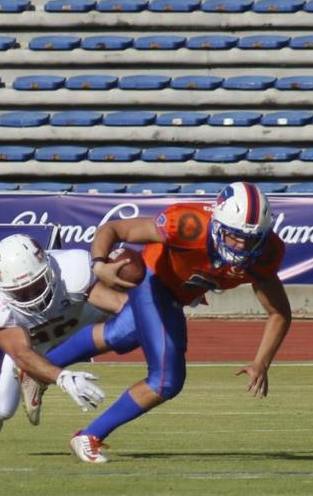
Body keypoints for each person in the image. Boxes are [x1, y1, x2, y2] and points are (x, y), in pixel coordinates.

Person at [61, 181, 293, 464]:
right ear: (218, 224)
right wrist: (99, 265)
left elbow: (279, 312)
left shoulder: (267, 253)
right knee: (165, 381)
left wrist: (262, 362)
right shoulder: (188, 224)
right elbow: (115, 229)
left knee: (120, 334)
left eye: (251, 238)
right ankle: (89, 435)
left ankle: (37, 368)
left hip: (177, 295)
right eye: (234, 236)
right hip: (153, 279)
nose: (242, 245)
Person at [0, 233, 129, 439]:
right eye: (21, 293)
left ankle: (39, 376)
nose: (33, 297)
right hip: (34, 342)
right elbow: (21, 353)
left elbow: (120, 304)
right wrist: (61, 377)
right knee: (0, 411)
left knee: (130, 326)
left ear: (49, 269)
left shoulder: (72, 269)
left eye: (36, 286)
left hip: (82, 322)